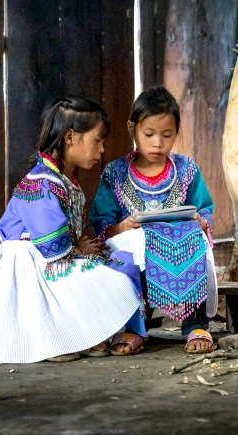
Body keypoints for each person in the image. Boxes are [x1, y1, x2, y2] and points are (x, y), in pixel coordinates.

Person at [0, 96, 146, 364]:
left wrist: (79, 249)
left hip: (52, 261)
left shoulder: (62, 181)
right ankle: (56, 337)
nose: (102, 149)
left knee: (124, 263)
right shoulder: (40, 183)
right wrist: (79, 250)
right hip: (32, 271)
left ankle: (83, 334)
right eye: (97, 140)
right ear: (71, 137)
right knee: (113, 272)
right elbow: (53, 248)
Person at [90, 86, 217, 355]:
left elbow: (204, 211)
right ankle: (132, 328)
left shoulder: (186, 169)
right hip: (136, 254)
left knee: (193, 243)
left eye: (167, 135)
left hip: (177, 251)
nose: (158, 143)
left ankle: (195, 324)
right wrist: (119, 227)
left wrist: (199, 222)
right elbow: (102, 222)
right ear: (132, 128)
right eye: (149, 134)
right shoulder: (115, 173)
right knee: (123, 258)